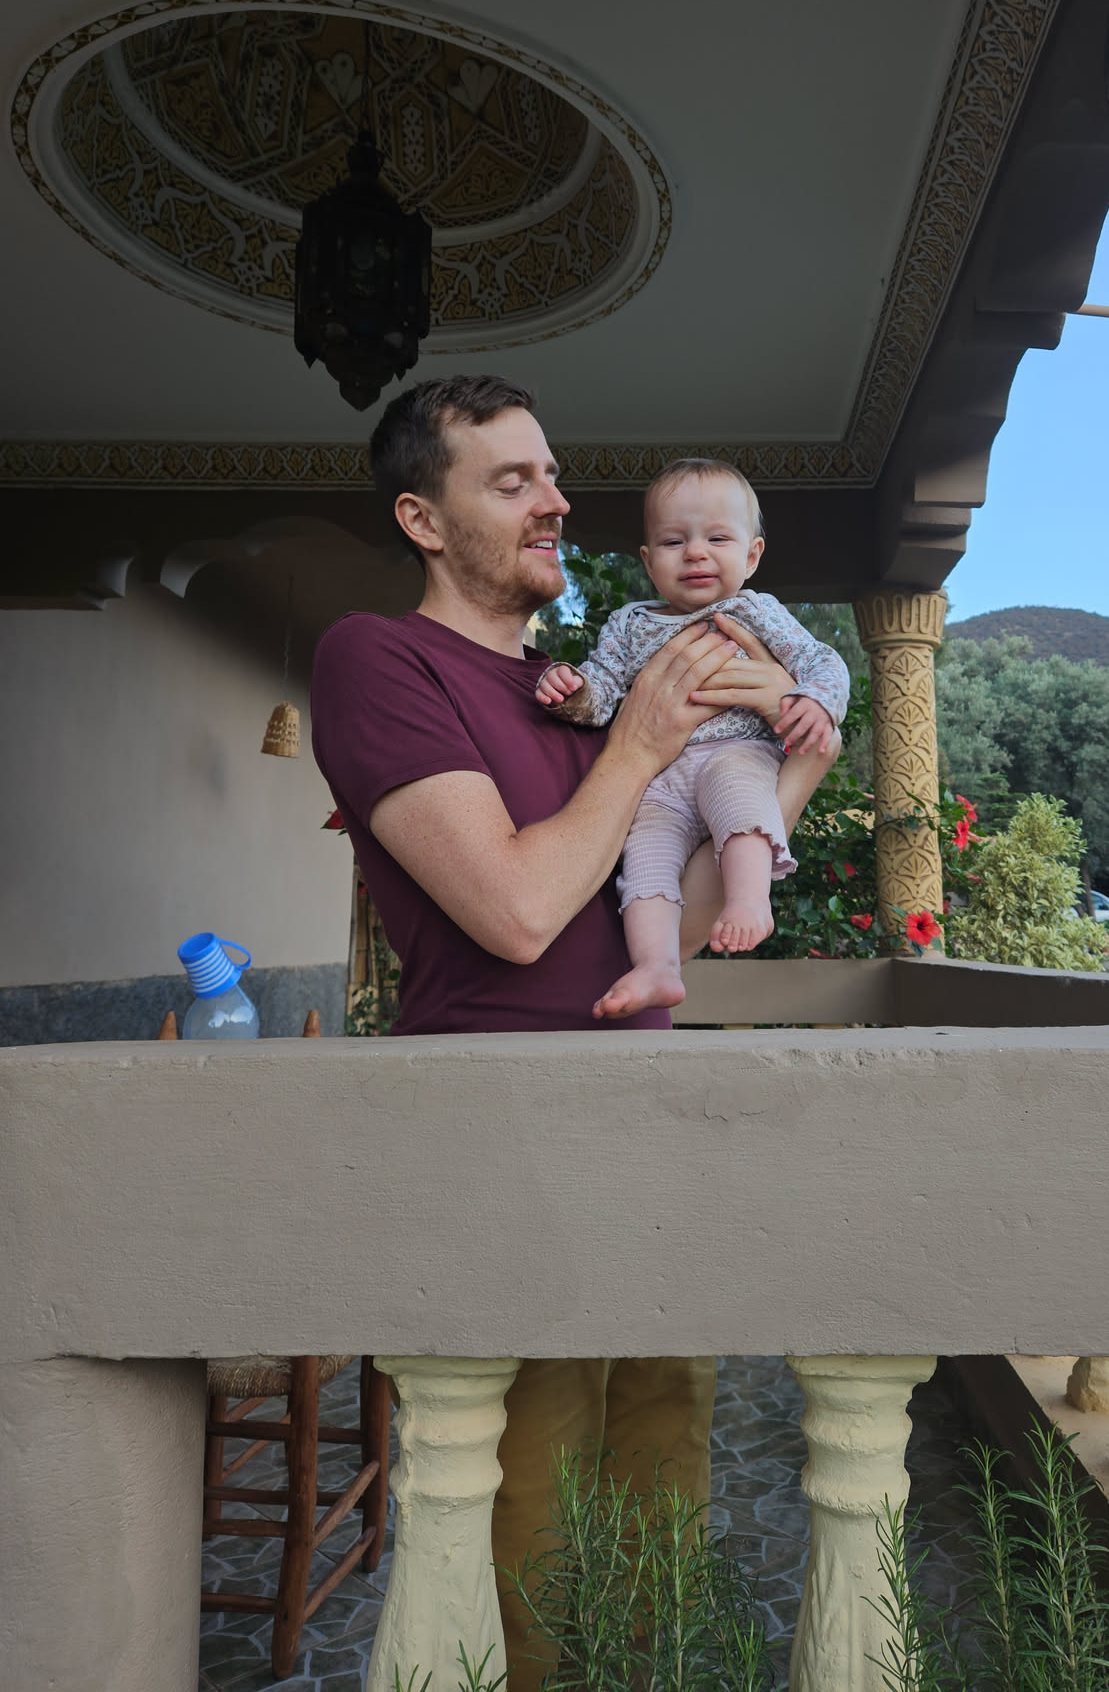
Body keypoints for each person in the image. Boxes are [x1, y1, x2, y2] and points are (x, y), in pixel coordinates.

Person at [308, 376, 839, 1689]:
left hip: (648, 1138)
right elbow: (518, 912)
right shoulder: (381, 661)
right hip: (500, 1158)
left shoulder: (579, 693)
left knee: (662, 1506)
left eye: (551, 474)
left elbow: (682, 914)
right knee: (531, 1533)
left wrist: (798, 755)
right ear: (424, 520)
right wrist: (642, 740)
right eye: (511, 481)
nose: (555, 500)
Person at [536, 457, 848, 1019]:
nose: (696, 553)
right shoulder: (630, 624)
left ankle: (750, 899)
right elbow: (603, 687)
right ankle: (657, 965)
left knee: (738, 794)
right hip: (660, 779)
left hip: (736, 750)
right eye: (674, 541)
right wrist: (574, 690)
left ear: (752, 556)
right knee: (645, 856)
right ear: (648, 560)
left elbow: (819, 659)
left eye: (718, 538)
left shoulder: (755, 611)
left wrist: (814, 700)